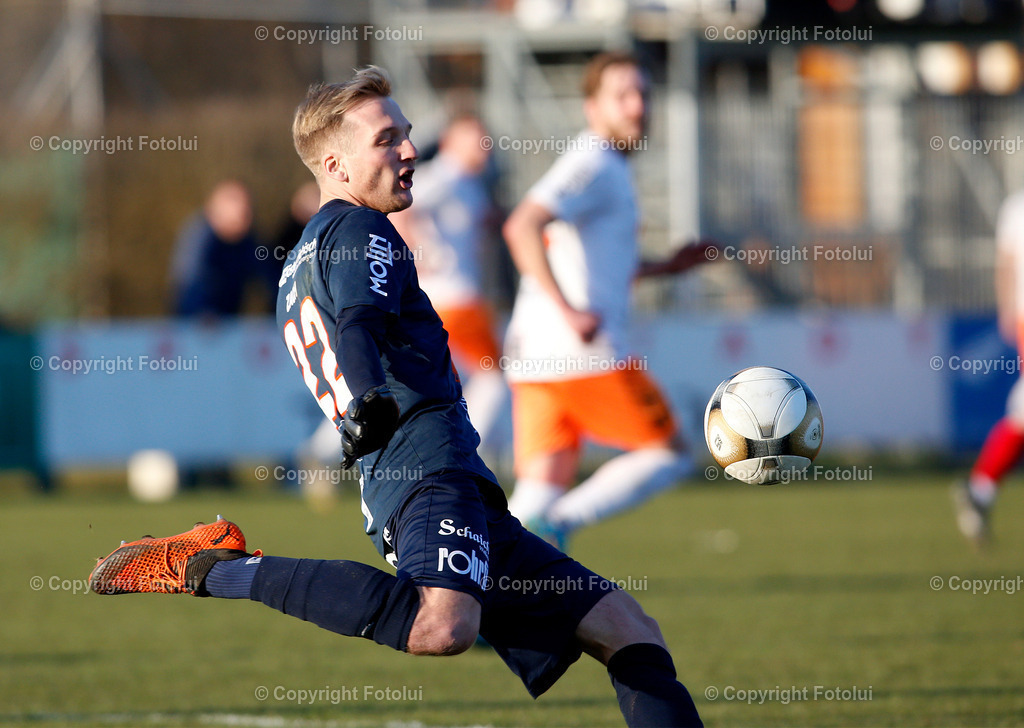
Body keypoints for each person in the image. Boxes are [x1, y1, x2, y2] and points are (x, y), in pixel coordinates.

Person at [88, 66, 703, 727]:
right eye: (386, 139)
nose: (409, 150)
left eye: (406, 134)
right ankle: (215, 569)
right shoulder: (361, 230)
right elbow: (359, 324)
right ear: (335, 165)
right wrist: (371, 398)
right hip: (426, 472)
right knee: (443, 625)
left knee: (628, 629)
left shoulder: (301, 259)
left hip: (448, 479)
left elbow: (355, 324)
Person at [502, 52, 713, 549]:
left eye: (643, 94)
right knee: (670, 453)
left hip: (533, 353)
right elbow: (521, 226)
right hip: (583, 351)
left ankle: (472, 586)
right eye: (623, 96)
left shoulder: (605, 164)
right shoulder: (593, 161)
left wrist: (666, 268)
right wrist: (569, 311)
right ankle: (558, 524)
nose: (638, 106)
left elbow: (595, 264)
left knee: (541, 485)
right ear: (592, 107)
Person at [390, 114, 509, 457]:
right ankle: (465, 451)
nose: (484, 147)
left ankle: (326, 452)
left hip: (448, 297)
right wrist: (415, 253)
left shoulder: (470, 182)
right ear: (450, 142)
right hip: (454, 296)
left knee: (420, 382)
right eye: (475, 139)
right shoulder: (445, 174)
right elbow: (402, 209)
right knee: (494, 377)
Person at [955, 189, 1024, 545]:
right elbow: (1007, 263)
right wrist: (1007, 310)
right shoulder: (1017, 206)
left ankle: (979, 491)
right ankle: (979, 491)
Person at [170, 179, 265, 317]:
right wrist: (205, 313)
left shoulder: (249, 242)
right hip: (194, 322)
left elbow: (273, 279)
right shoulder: (201, 238)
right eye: (234, 201)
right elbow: (191, 284)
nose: (244, 210)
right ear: (214, 210)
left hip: (229, 320)